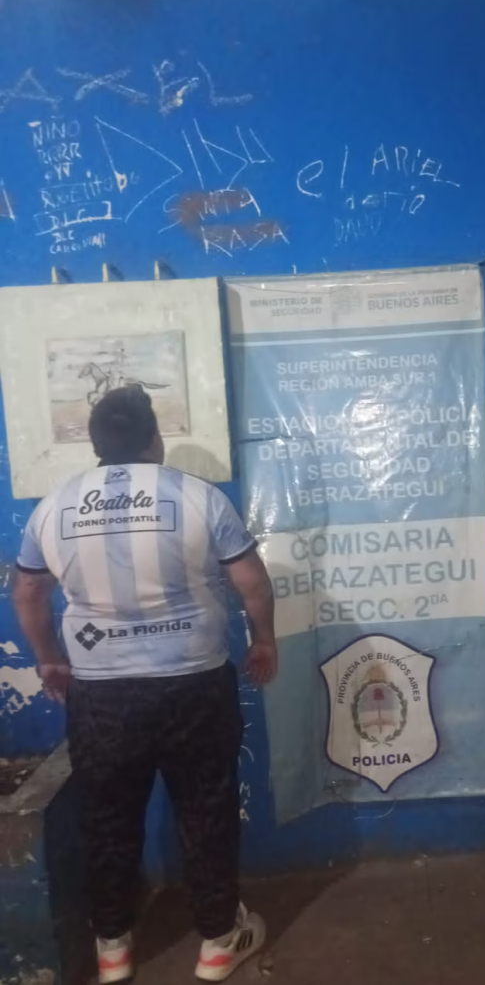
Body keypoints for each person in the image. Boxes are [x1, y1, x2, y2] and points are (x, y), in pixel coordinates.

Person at [12, 386, 277, 985]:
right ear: (154, 440)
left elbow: (27, 592)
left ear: (96, 444)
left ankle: (112, 949)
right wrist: (264, 639)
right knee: (206, 811)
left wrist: (50, 660)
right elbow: (252, 583)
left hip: (101, 692)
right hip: (193, 684)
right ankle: (218, 943)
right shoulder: (198, 496)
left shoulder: (54, 507)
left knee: (107, 816)